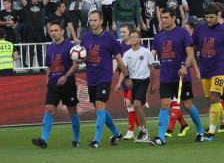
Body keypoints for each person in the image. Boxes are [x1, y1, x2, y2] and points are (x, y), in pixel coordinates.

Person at [150, 8, 203, 145]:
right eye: (162, 18)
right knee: (164, 105)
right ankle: (160, 138)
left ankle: (200, 131)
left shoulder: (183, 33)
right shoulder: (158, 37)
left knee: (187, 104)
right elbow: (151, 56)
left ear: (174, 18)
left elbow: (190, 53)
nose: (163, 20)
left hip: (181, 77)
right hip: (165, 77)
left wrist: (185, 66)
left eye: (166, 17)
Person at [192, 3, 224, 140]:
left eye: (211, 17)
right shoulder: (199, 29)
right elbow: (191, 47)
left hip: (220, 70)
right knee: (211, 101)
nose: (208, 20)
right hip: (205, 69)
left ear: (217, 16)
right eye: (206, 17)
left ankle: (211, 132)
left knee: (215, 97)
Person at [80, 11, 128, 148]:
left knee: (100, 105)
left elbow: (119, 59)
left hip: (104, 76)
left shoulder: (109, 38)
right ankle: (116, 133)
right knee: (98, 107)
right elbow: (83, 57)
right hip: (91, 77)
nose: (93, 23)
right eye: (91, 20)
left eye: (95, 20)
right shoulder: (85, 38)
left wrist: (126, 76)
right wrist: (80, 59)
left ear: (101, 21)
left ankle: (96, 140)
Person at [32, 21, 82, 149]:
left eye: (56, 30)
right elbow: (49, 66)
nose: (53, 33)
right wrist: (48, 81)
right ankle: (44, 140)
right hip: (53, 84)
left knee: (72, 111)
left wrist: (66, 76)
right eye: (51, 31)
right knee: (49, 109)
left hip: (68, 83)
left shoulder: (70, 46)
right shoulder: (50, 47)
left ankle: (76, 140)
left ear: (62, 31)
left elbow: (76, 64)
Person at [118, 29, 154, 143]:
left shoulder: (145, 52)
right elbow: (124, 68)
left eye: (135, 37)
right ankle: (143, 131)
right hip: (133, 82)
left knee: (136, 105)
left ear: (139, 39)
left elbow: (152, 68)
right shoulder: (127, 54)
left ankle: (144, 132)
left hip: (143, 81)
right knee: (139, 107)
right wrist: (123, 80)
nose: (133, 39)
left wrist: (153, 84)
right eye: (131, 37)